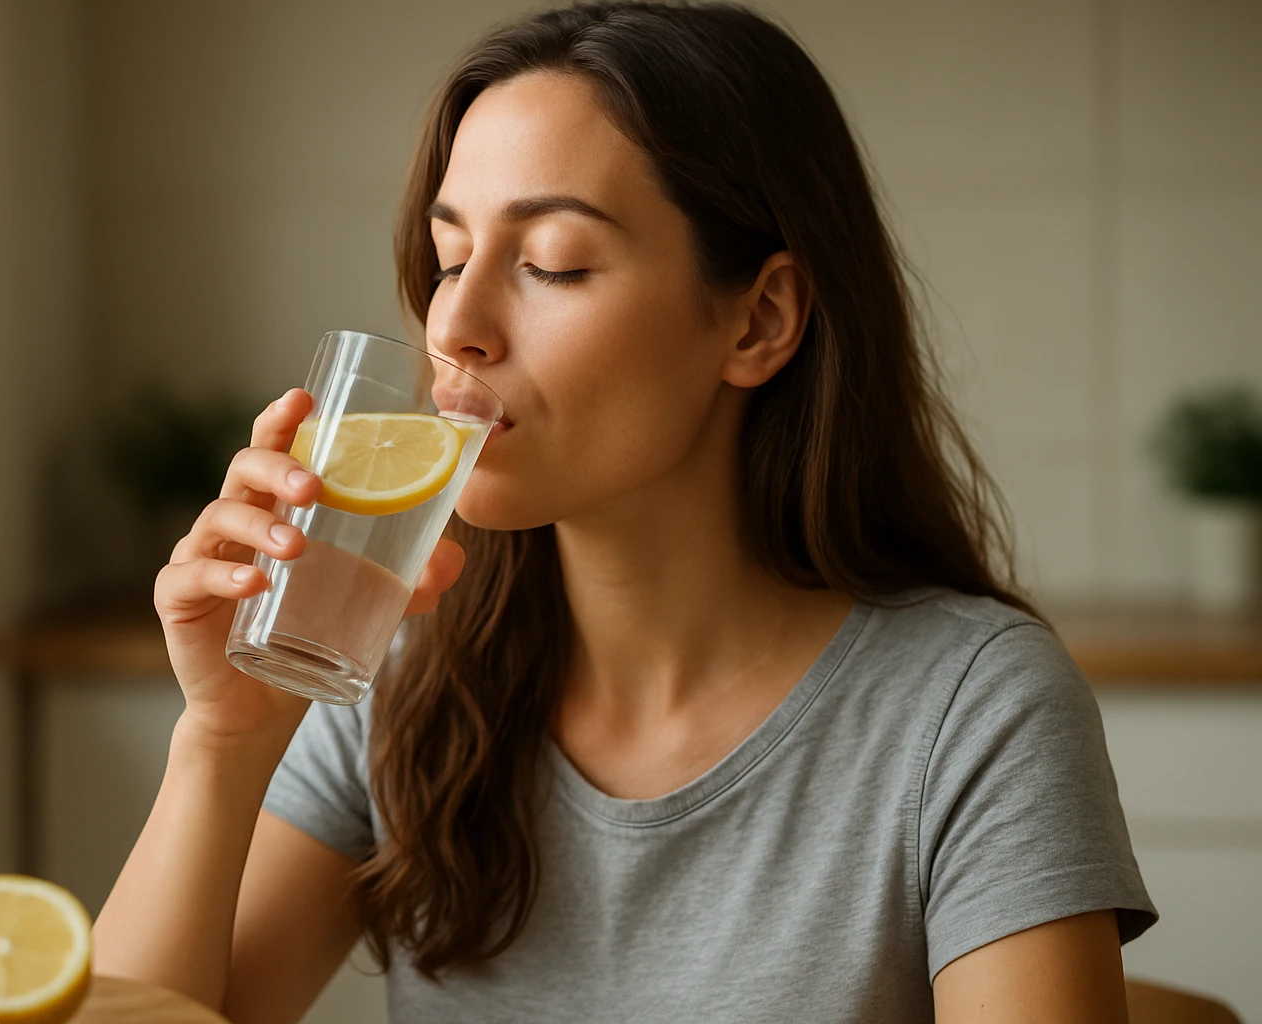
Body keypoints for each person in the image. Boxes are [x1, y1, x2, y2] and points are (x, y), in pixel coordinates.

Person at [93, 3, 1156, 1021]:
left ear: (759, 321)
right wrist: (223, 742)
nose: (453, 323)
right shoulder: (399, 678)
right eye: (449, 257)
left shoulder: (971, 711)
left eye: (551, 264)